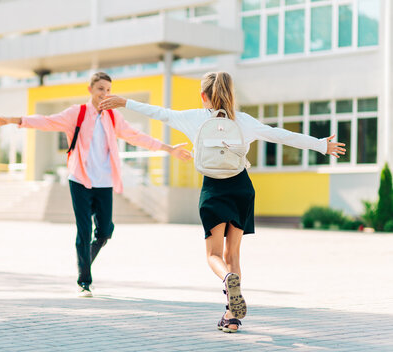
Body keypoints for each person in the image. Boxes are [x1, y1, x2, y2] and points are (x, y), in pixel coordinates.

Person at [99, 71, 345, 332]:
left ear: (203, 95)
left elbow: (160, 112)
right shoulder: (244, 121)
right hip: (241, 188)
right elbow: (280, 134)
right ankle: (232, 317)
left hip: (214, 189)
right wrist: (320, 145)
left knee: (214, 255)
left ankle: (227, 279)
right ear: (230, 94)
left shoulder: (193, 118)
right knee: (233, 253)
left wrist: (125, 102)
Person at [0, 72, 192, 298]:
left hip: (104, 182)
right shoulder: (76, 113)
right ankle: (84, 281)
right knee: (84, 230)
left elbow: (136, 136)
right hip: (80, 179)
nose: (105, 94)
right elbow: (47, 121)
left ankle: (84, 259)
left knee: (105, 231)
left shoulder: (113, 117)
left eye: (108, 89)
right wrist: (14, 120)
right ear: (90, 90)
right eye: (100, 89)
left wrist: (168, 149)